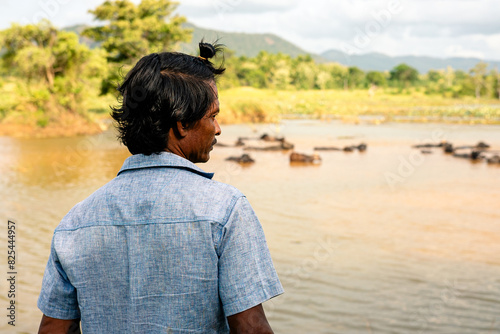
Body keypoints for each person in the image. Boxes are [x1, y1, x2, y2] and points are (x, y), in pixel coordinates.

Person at [37, 42, 284, 334]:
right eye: (213, 116)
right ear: (181, 124)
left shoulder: (75, 221)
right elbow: (251, 328)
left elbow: (53, 327)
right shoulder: (225, 210)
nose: (217, 129)